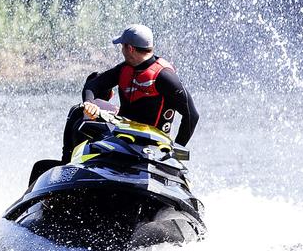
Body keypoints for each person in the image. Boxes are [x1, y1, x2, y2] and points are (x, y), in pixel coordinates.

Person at [61, 24, 199, 161]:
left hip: (152, 144)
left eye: (122, 46)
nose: (121, 50)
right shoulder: (125, 69)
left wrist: (176, 152)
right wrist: (89, 103)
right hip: (122, 132)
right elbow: (93, 84)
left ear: (130, 49)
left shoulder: (165, 76)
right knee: (78, 111)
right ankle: (67, 164)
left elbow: (192, 115)